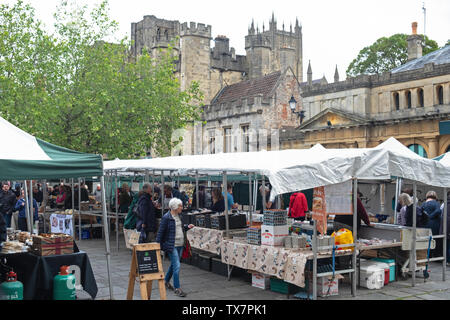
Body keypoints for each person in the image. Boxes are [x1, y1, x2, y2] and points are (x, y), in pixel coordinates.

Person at [156, 198, 194, 297]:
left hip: (181, 244)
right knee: (177, 266)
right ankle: (177, 288)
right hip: (171, 245)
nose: (182, 208)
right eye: (180, 206)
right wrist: (157, 246)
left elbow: (179, 228)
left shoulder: (179, 216)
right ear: (175, 207)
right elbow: (160, 232)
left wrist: (187, 227)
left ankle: (166, 281)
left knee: (174, 265)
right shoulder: (166, 217)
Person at [422, 191, 442, 257]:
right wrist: (431, 216)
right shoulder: (436, 203)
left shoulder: (423, 204)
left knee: (426, 239)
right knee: (434, 239)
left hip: (425, 224)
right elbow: (438, 211)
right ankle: (434, 255)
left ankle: (427, 254)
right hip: (434, 223)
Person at [439, 191, 450, 265]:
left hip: (444, 228)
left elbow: (441, 216)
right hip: (448, 228)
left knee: (446, 245)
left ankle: (446, 260)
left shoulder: (444, 204)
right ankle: (448, 260)